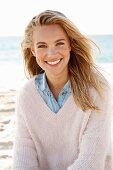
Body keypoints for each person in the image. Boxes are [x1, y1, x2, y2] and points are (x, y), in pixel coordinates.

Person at [12, 10, 112, 170]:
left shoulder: (97, 88)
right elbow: (23, 159)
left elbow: (91, 163)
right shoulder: (26, 95)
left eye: (59, 43)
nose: (51, 53)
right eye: (42, 46)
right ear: (33, 51)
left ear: (70, 45)